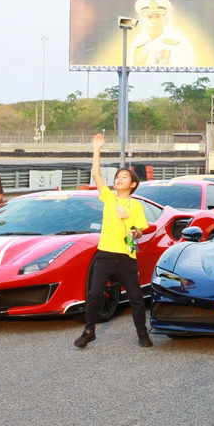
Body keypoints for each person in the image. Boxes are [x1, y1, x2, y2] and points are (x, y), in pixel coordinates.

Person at [75, 133, 152, 350]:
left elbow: (139, 233)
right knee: (94, 294)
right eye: (118, 176)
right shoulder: (109, 198)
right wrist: (97, 148)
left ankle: (142, 334)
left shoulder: (136, 206)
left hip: (126, 256)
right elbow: (96, 175)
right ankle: (89, 331)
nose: (119, 179)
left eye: (124, 177)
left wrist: (132, 228)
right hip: (105, 254)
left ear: (133, 184)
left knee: (136, 297)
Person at [127, 0, 199, 67]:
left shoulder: (176, 47)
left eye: (158, 17)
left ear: (166, 21)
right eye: (149, 17)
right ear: (143, 22)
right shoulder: (137, 49)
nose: (154, 21)